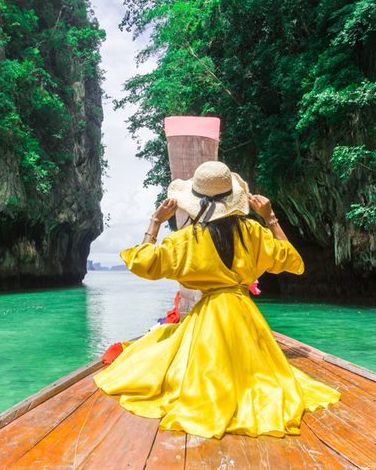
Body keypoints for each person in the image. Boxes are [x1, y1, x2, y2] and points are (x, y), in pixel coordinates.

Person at [93, 160, 340, 439]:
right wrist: (270, 217)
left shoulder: (186, 240)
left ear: (195, 201)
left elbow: (141, 262)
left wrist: (156, 222)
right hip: (245, 315)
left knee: (165, 359)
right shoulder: (254, 233)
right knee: (261, 376)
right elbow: (291, 260)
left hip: (208, 317)